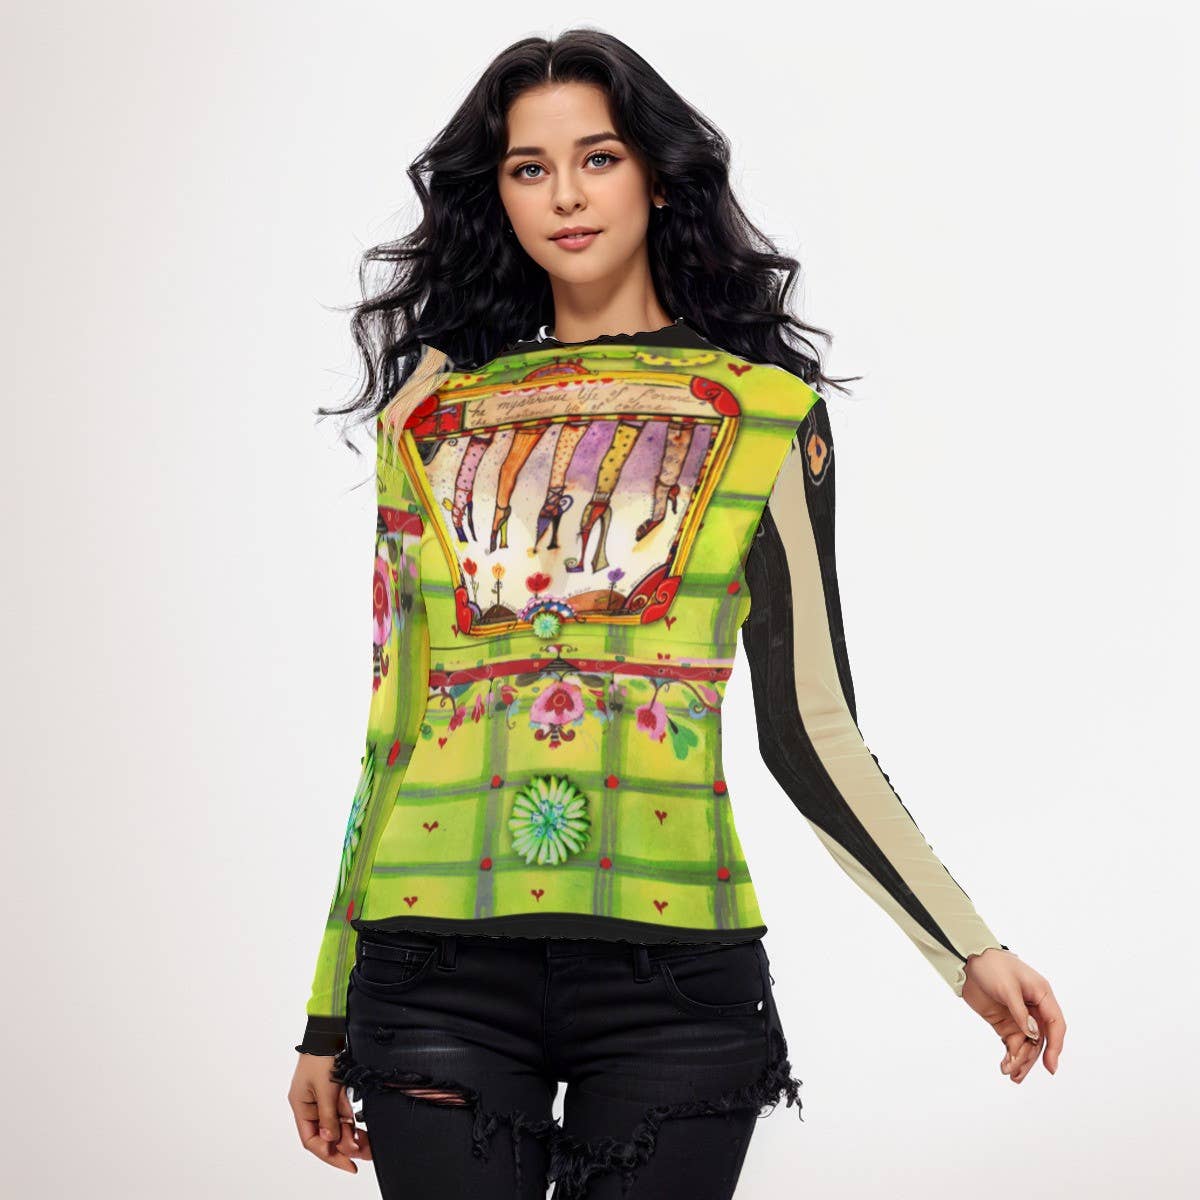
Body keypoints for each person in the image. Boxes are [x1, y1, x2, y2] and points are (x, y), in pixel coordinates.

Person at [286, 28, 1065, 1200]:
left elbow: (812, 728)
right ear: (499, 194)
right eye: (529, 167)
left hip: (676, 986)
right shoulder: (431, 419)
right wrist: (324, 1012)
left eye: (596, 157)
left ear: (656, 175)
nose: (566, 195)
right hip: (433, 968)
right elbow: (393, 729)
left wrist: (966, 944)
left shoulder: (768, 415)